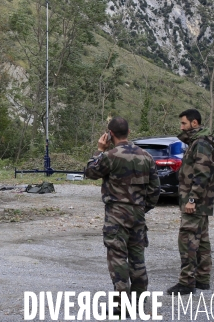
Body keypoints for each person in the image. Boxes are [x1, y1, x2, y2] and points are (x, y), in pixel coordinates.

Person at [84, 117, 160, 314]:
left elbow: (90, 172)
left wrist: (99, 150)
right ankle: (138, 302)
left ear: (109, 134)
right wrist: (143, 208)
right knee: (138, 259)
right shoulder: (146, 156)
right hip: (138, 216)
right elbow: (155, 189)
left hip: (116, 216)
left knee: (118, 259)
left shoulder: (110, 156)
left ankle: (121, 305)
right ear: (129, 131)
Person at [167, 109, 214, 295]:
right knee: (202, 239)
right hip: (202, 203)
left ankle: (187, 282)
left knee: (187, 239)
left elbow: (202, 174)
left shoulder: (201, 144)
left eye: (184, 124)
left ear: (194, 123)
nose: (181, 127)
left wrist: (192, 199)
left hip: (196, 202)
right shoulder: (198, 142)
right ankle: (202, 279)